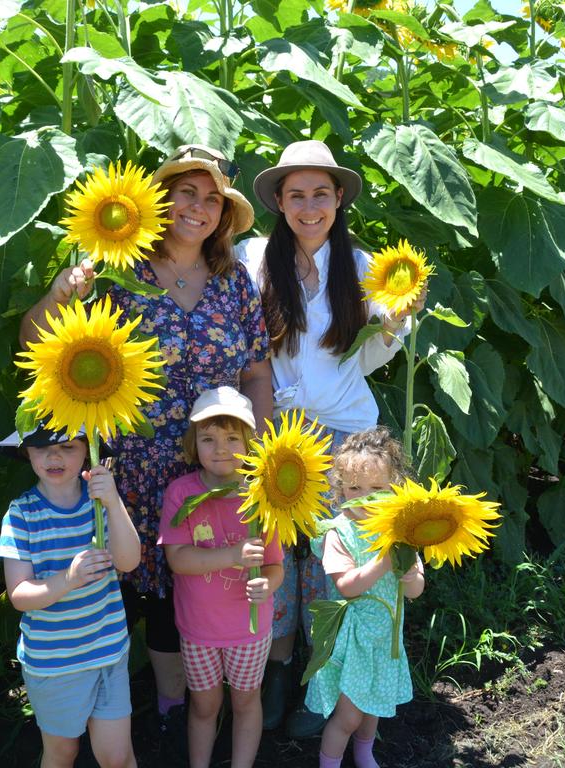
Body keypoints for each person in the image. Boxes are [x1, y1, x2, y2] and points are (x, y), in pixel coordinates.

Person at [19, 145, 274, 752]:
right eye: (187, 191)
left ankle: (171, 704)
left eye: (212, 198)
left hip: (211, 461)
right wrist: (59, 294)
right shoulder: (117, 271)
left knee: (187, 582)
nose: (199, 207)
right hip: (130, 459)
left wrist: (255, 453)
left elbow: (258, 373)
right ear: (160, 198)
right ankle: (119, 706)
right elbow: (36, 346)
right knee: (133, 578)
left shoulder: (234, 280)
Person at [234, 139, 422, 736]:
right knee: (273, 555)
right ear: (279, 203)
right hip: (275, 431)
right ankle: (277, 673)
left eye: (321, 193)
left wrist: (395, 322)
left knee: (331, 560)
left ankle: (328, 684)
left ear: (339, 199)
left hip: (345, 436)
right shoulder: (253, 257)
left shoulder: (364, 269)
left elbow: (369, 358)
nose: (309, 206)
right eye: (297, 195)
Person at [0, 423, 141, 768]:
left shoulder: (99, 505)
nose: (54, 456)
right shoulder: (22, 515)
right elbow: (19, 594)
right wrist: (68, 579)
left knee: (117, 756)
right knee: (62, 752)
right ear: (26, 452)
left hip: (107, 648)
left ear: (90, 452)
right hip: (55, 661)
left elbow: (128, 561)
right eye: (41, 447)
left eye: (69, 446)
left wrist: (113, 500)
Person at [157, 387, 284, 768]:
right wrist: (231, 555)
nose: (221, 448)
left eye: (232, 438)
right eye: (208, 439)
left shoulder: (262, 496)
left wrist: (268, 585)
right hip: (199, 628)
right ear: (193, 444)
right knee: (204, 704)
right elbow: (178, 559)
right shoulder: (182, 493)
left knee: (247, 701)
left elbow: (276, 565)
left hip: (249, 629)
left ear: (250, 443)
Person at [307, 426, 425, 768]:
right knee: (347, 716)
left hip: (385, 636)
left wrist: (410, 576)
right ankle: (329, 762)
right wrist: (384, 561)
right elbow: (346, 585)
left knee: (373, 708)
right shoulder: (338, 532)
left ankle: (364, 753)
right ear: (340, 490)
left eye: (377, 489)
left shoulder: (399, 530)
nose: (366, 499)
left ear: (394, 488)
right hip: (352, 641)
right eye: (355, 489)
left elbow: (416, 589)